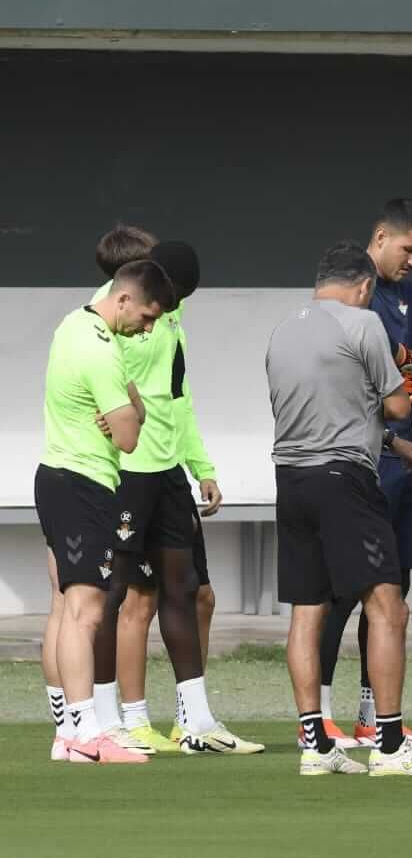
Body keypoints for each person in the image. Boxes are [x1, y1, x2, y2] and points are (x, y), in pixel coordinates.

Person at [267, 243, 412, 777]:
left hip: (291, 477)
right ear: (365, 286)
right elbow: (396, 404)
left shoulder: (283, 330)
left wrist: (391, 445)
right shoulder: (365, 323)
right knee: (389, 606)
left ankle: (315, 747)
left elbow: (323, 405)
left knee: (307, 610)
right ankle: (390, 746)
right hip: (345, 479)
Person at [91, 242, 261, 756]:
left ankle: (196, 724)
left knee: (183, 588)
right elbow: (96, 383)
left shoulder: (170, 319)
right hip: (124, 471)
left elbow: (178, 402)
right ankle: (112, 720)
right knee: (113, 595)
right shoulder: (107, 314)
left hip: (167, 473)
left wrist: (201, 467)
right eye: (166, 300)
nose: (166, 311)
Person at [317, 200, 412, 752]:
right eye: (408, 250)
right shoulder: (347, 296)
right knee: (336, 594)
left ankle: (374, 717)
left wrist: (406, 365)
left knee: (394, 595)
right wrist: (402, 366)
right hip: (355, 463)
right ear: (380, 236)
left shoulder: (409, 296)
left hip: (403, 463)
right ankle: (319, 715)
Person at [37, 259, 175, 763]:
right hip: (83, 485)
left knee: (65, 608)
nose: (148, 327)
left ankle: (67, 732)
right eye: (147, 316)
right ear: (123, 300)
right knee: (86, 611)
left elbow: (123, 421)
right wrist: (131, 409)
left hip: (55, 478)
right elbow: (132, 437)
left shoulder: (72, 323)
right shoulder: (102, 352)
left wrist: (125, 408)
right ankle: (83, 733)